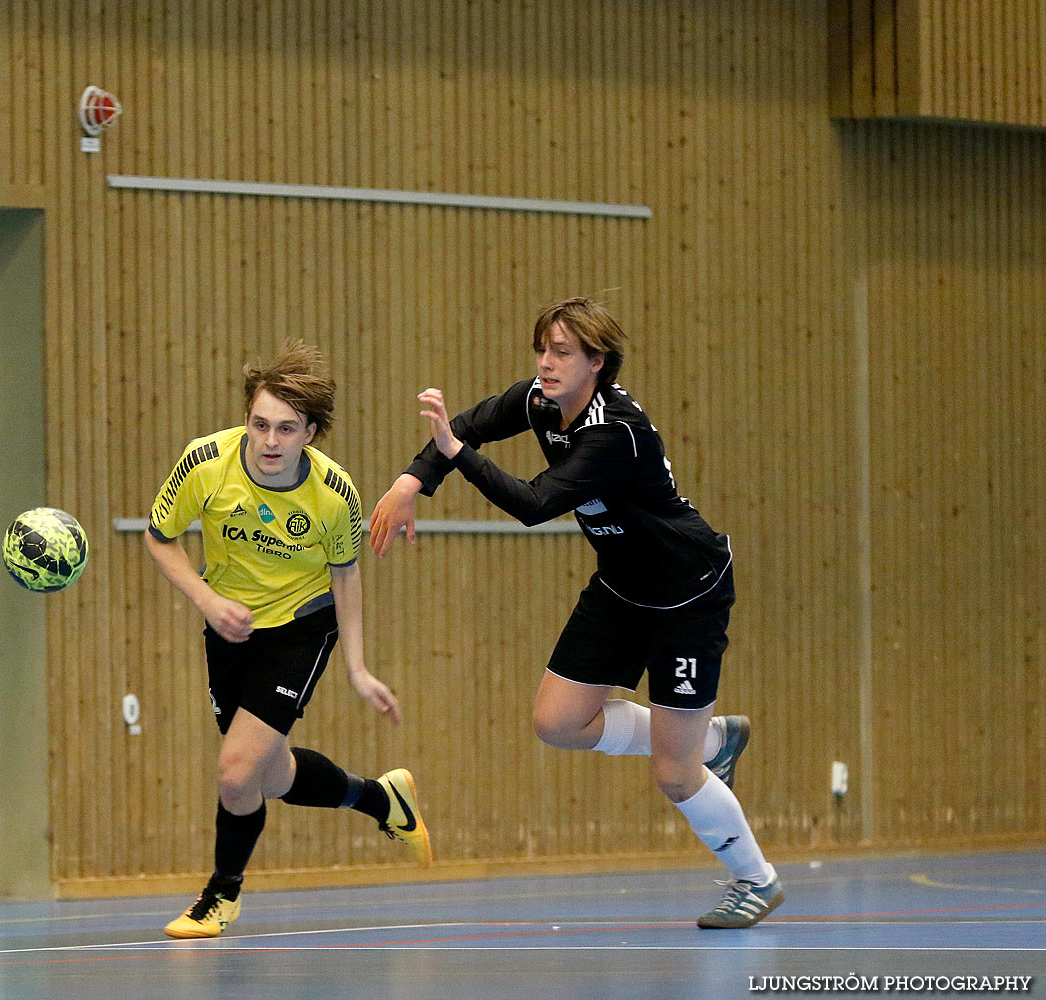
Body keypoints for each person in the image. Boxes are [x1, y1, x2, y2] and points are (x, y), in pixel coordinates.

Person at [368, 297, 783, 929]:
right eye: (542, 349)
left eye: (562, 352)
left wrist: (453, 455)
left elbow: (534, 503)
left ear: (597, 361)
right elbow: (471, 424)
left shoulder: (614, 433)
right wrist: (410, 481)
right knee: (557, 721)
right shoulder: (538, 400)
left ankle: (755, 879)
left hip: (686, 595)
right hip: (621, 587)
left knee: (675, 775)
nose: (546, 363)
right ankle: (714, 739)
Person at [145, 339, 432, 939]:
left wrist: (357, 667)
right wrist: (208, 599)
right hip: (228, 625)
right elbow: (158, 536)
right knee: (267, 778)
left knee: (233, 772)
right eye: (259, 424)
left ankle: (220, 896)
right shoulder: (205, 464)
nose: (269, 441)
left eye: (286, 428)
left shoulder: (333, 494)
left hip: (301, 627)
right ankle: (382, 800)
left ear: (310, 433)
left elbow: (346, 573)